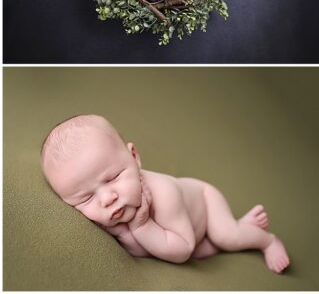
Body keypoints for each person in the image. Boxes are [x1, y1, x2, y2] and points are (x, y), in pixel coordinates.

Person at [40, 114, 290, 272]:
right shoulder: (111, 214)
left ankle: (266, 240)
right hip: (184, 231)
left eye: (113, 177)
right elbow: (144, 249)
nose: (107, 199)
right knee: (207, 250)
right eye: (86, 198)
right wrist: (128, 234)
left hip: (203, 202)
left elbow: (183, 251)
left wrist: (140, 227)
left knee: (225, 237)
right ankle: (241, 224)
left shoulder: (164, 194)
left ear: (134, 158)